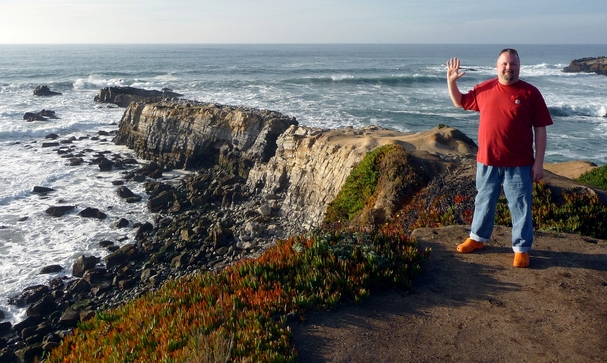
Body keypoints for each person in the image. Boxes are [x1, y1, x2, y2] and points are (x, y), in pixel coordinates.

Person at [446, 48, 553, 268]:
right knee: (483, 201)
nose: (508, 68)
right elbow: (460, 102)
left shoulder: (530, 93)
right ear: (497, 66)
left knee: (520, 206)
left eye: (513, 64)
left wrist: (539, 162)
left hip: (519, 163)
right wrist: (451, 82)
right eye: (504, 64)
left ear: (519, 67)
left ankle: (521, 249)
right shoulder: (484, 88)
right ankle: (477, 239)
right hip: (487, 160)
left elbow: (540, 129)